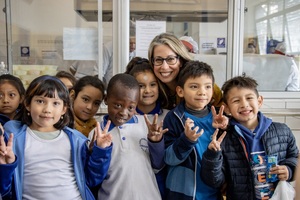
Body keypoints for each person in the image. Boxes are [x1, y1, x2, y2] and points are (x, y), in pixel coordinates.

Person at [0, 75, 112, 200]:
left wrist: (100, 151)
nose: (47, 109)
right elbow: (5, 190)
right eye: (40, 101)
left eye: (55, 103)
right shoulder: (13, 138)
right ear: (27, 104)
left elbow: (92, 180)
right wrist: (6, 167)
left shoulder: (76, 140)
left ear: (64, 109)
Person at [201, 75, 299, 199]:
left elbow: (295, 158)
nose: (244, 104)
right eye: (236, 101)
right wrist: (212, 155)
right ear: (226, 108)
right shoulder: (223, 137)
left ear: (259, 101)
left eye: (249, 98)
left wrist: (289, 170)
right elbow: (214, 181)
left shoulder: (282, 130)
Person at [88, 73, 167, 200]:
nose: (124, 112)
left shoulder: (145, 126)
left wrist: (156, 142)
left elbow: (158, 165)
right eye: (118, 105)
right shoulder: (96, 133)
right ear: (106, 99)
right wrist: (100, 150)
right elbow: (93, 179)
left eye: (131, 107)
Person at [163, 61, 228, 200]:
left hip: (213, 193)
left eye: (207, 87)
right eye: (194, 86)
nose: (202, 92)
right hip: (181, 194)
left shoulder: (219, 117)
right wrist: (186, 140)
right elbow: (168, 159)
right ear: (180, 91)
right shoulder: (174, 117)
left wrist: (228, 126)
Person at [125, 57, 169, 199]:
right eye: (141, 86)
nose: (147, 90)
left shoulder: (169, 117)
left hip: (162, 187)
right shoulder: (124, 119)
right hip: (132, 188)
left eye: (152, 84)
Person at [148, 32, 223, 109]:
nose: (164, 67)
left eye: (170, 59)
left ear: (181, 60)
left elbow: (224, 109)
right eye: (158, 60)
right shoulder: (151, 85)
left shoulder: (201, 81)